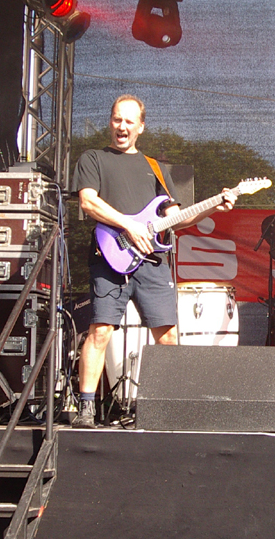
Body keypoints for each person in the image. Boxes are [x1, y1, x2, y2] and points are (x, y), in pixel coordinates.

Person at [71, 94, 237, 427]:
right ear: (110, 121)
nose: (122, 126)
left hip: (151, 263)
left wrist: (213, 206)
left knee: (168, 336)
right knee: (100, 331)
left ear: (141, 127)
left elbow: (176, 219)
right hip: (110, 257)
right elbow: (89, 202)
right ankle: (86, 408)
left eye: (129, 121)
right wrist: (129, 226)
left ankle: (166, 406)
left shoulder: (154, 168)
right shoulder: (93, 158)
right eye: (117, 119)